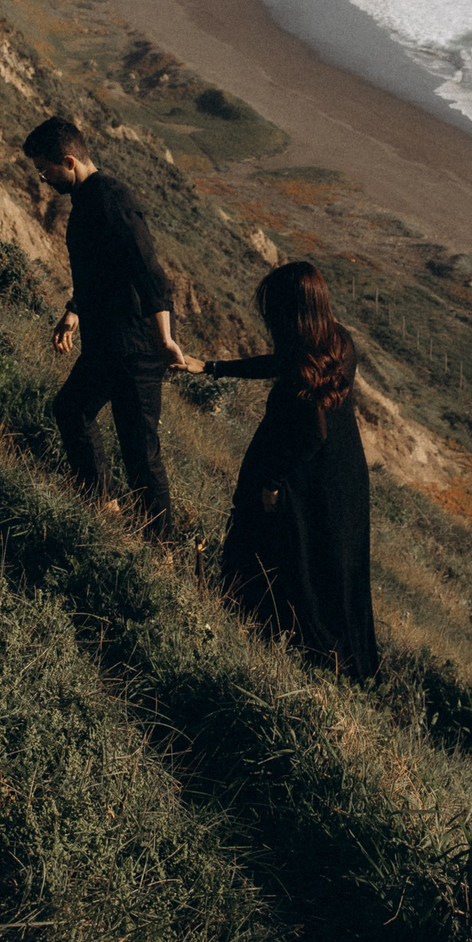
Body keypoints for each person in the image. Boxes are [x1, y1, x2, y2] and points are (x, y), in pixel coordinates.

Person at [182, 261, 378, 680]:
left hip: (305, 481)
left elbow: (314, 433)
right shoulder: (337, 341)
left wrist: (273, 484)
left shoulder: (305, 363)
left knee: (280, 558)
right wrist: (213, 367)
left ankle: (283, 644)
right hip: (342, 479)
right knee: (334, 574)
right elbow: (281, 363)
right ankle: (341, 665)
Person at [25, 115, 190, 537]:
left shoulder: (112, 200)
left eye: (45, 170)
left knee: (140, 452)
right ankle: (102, 501)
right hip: (106, 343)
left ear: (69, 161)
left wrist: (166, 339)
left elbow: (150, 274)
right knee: (71, 409)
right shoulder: (87, 200)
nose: (44, 179)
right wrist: (74, 310)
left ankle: (162, 546)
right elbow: (101, 270)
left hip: (136, 347)